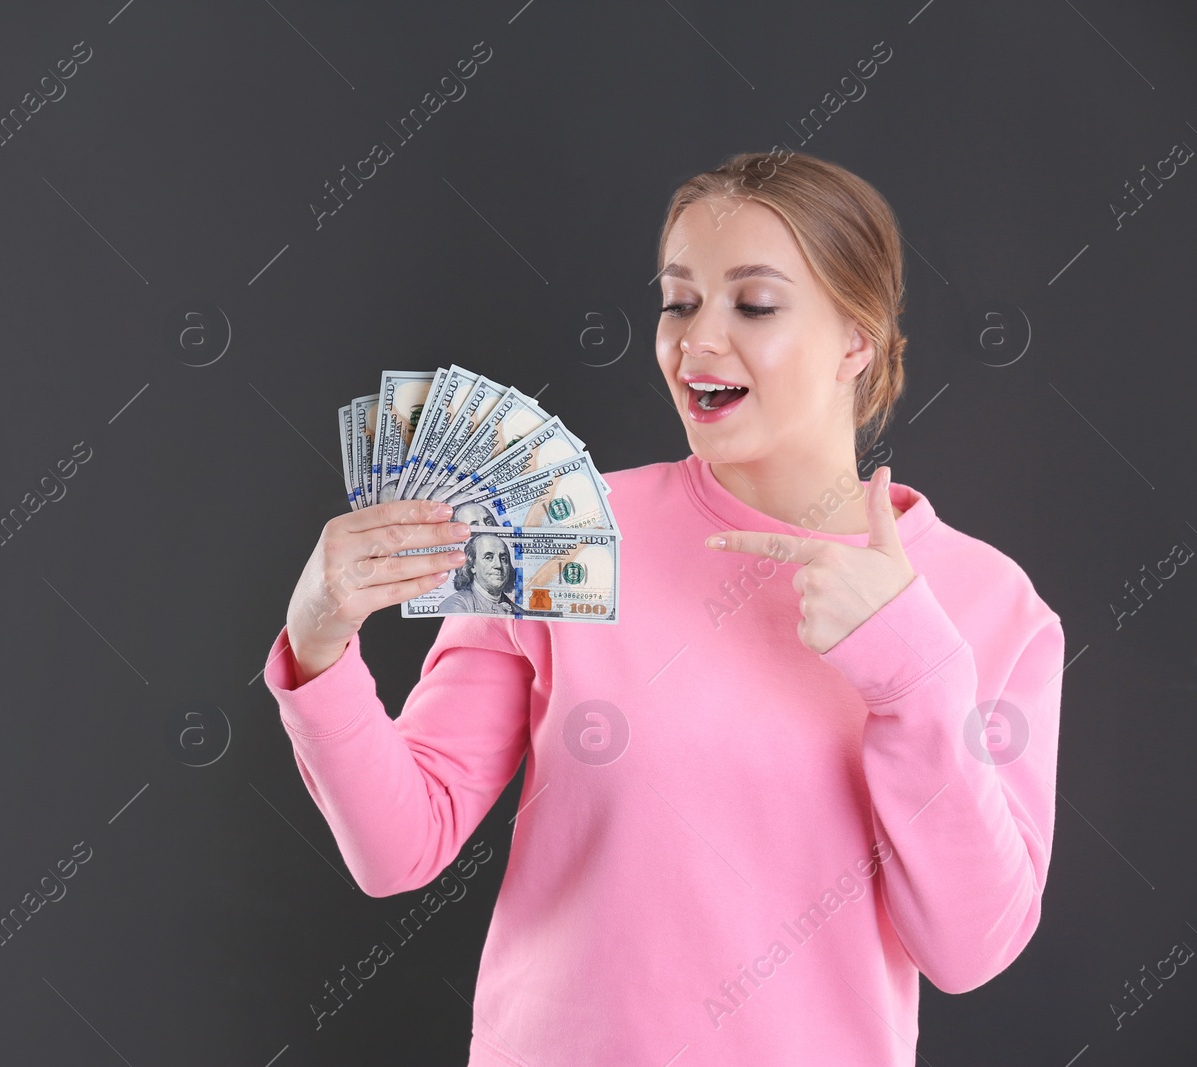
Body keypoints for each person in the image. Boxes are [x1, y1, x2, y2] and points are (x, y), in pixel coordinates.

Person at [262, 150, 1065, 1065]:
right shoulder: (557, 535)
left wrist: (915, 673)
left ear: (857, 340)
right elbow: (403, 843)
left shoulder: (990, 605)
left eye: (753, 305)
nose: (697, 340)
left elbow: (969, 950)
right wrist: (319, 643)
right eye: (679, 301)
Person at [437, 530, 516, 614]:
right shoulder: (455, 605)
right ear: (472, 565)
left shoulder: (518, 611)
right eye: (488, 557)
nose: (498, 565)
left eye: (503, 559)